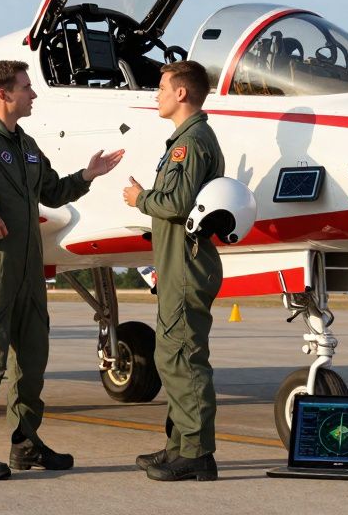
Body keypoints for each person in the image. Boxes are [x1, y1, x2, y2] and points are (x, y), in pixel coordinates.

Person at [0, 60, 123, 481]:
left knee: (32, 361)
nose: (33, 94)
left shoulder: (27, 145)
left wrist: (88, 175)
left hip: (31, 272)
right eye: (26, 87)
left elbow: (51, 190)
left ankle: (26, 443)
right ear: (4, 94)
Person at [122, 60, 225, 482]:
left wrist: (139, 198)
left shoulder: (191, 142)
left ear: (181, 93)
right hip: (176, 264)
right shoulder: (184, 140)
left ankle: (197, 454)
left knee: (183, 358)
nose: (157, 94)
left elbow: (176, 203)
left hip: (185, 264)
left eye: (163, 87)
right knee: (172, 358)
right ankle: (178, 447)